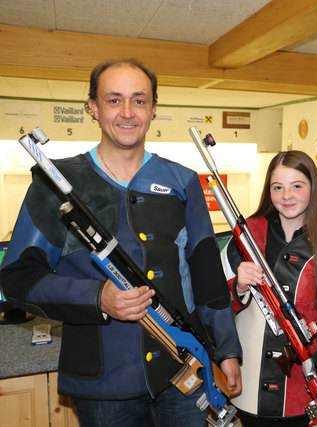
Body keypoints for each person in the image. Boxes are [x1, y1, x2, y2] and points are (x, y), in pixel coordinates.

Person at [0, 58, 242, 427]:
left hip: (183, 373)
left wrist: (227, 350)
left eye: (139, 100)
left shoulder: (184, 182)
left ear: (153, 109)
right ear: (93, 108)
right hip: (102, 385)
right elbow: (18, 277)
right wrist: (99, 298)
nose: (127, 112)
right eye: (114, 100)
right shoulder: (57, 181)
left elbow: (207, 275)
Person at [221, 150, 317, 427]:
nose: (287, 195)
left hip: (304, 398)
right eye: (278, 187)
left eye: (297, 186)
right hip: (246, 389)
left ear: (313, 189)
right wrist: (238, 286)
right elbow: (215, 306)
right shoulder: (246, 234)